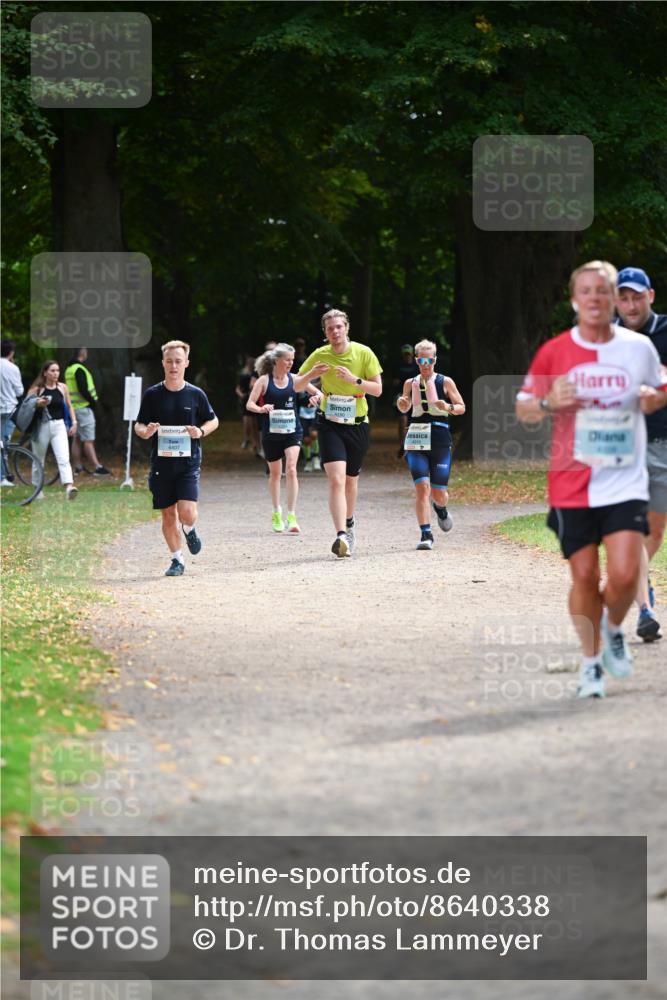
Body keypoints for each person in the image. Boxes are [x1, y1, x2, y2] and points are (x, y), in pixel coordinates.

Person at [516, 261, 667, 699]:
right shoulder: (555, 351)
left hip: (624, 479)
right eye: (586, 291)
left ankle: (613, 627)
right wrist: (547, 402)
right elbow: (524, 409)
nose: (596, 298)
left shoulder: (638, 348)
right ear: (574, 300)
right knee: (584, 577)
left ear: (614, 296)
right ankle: (591, 665)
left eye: (604, 290)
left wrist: (654, 399)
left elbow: (659, 388)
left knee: (622, 575)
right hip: (571, 481)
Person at [298, 309, 383, 557]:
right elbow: (296, 383)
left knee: (350, 481)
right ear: (325, 333)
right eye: (330, 328)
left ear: (346, 327)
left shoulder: (363, 353)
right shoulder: (320, 354)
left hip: (357, 423)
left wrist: (355, 380)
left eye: (338, 326)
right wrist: (314, 383)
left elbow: (377, 390)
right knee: (336, 479)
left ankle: (350, 523)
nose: (335, 331)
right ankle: (340, 535)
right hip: (329, 423)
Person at [134, 341, 219, 577]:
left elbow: (213, 420)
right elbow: (139, 425)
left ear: (186, 364)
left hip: (188, 462)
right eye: (169, 361)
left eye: (178, 361)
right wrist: (146, 431)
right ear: (163, 363)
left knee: (187, 512)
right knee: (168, 514)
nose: (173, 365)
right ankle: (177, 560)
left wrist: (200, 431)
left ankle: (190, 528)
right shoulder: (152, 394)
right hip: (161, 464)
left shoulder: (195, 394)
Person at [615, 266, 667, 642]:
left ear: (650, 295)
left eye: (637, 296)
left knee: (655, 527)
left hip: (662, 441)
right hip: (621, 445)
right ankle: (645, 608)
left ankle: (639, 578)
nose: (631, 304)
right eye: (624, 297)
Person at [396, 340, 465, 550]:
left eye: (430, 360)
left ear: (435, 360)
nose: (426, 364)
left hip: (440, 437)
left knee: (439, 494)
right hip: (417, 436)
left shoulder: (445, 382)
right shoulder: (410, 382)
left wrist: (449, 406)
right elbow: (404, 403)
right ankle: (426, 534)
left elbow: (462, 407)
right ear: (417, 360)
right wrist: (402, 403)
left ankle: (441, 509)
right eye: (422, 360)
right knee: (422, 488)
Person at [246, 343, 321, 533]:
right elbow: (250, 404)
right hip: (271, 434)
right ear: (277, 360)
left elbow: (317, 392)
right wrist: (261, 409)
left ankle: (292, 515)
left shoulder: (295, 379)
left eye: (292, 360)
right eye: (287, 359)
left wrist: (314, 398)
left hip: (292, 432)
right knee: (275, 474)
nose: (291, 363)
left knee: (292, 469)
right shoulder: (263, 381)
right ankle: (276, 511)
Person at [26, 360, 78, 500]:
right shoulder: (37, 389)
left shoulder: (62, 388)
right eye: (52, 371)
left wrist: (73, 422)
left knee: (63, 458)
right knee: (38, 459)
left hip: (59, 425)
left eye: (57, 371)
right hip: (41, 426)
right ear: (45, 373)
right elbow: (26, 406)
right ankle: (37, 489)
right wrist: (38, 403)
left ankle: (69, 487)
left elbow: (69, 405)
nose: (56, 374)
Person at [64, 347, 111, 476]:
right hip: (84, 408)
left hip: (74, 408)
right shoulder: (79, 369)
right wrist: (92, 402)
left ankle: (78, 467)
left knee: (77, 438)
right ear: (83, 353)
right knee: (88, 439)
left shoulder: (69, 369)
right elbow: (83, 389)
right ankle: (97, 467)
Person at [1, 339, 24, 486]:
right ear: (11, 353)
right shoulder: (12, 368)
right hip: (8, 409)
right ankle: (2, 477)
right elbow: (20, 391)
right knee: (4, 443)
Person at [393, 344, 420, 457]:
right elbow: (393, 383)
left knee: (414, 422)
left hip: (415, 397)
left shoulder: (417, 366)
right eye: (405, 354)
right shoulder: (397, 366)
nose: (407, 356)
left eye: (409, 354)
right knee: (402, 420)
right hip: (401, 397)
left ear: (412, 354)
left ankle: (414, 447)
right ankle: (402, 446)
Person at [235, 355, 261, 454]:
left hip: (255, 400)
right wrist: (242, 396)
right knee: (247, 421)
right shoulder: (243, 375)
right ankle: (247, 439)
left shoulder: (257, 375)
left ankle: (256, 444)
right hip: (246, 399)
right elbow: (237, 388)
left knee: (255, 424)